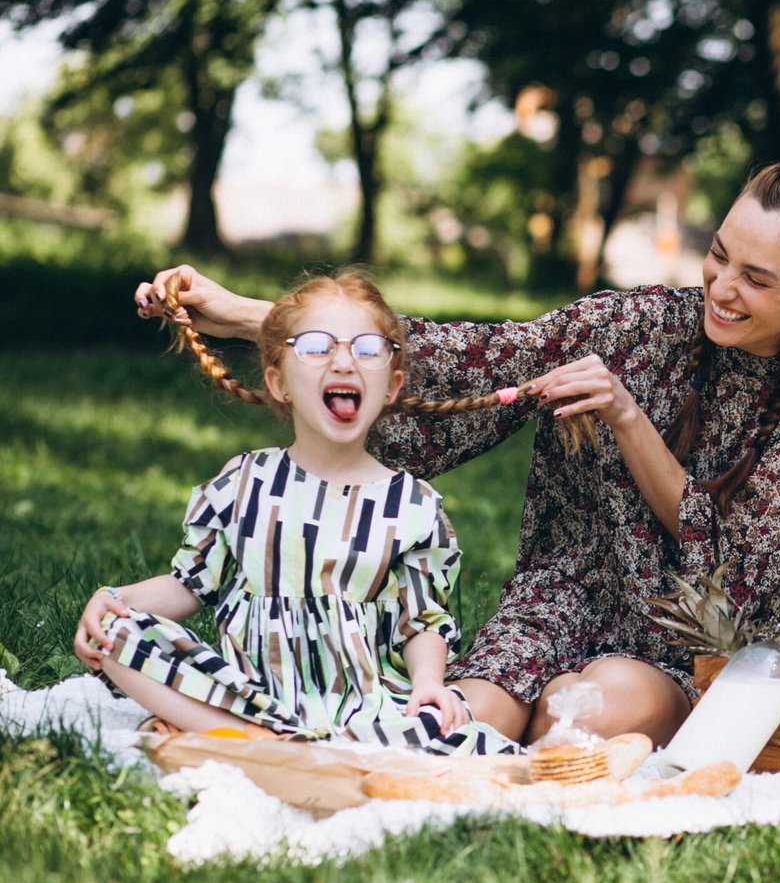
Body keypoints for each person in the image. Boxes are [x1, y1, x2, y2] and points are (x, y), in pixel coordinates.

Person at [134, 163, 780, 748]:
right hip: (566, 594)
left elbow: (741, 565)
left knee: (579, 718)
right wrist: (248, 318)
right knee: (456, 724)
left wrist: (629, 419)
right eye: (720, 256)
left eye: (756, 279)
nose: (722, 287)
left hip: (707, 638)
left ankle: (567, 720)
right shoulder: (640, 323)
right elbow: (480, 357)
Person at [76, 273, 522, 754]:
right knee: (117, 634)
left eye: (367, 348)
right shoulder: (246, 480)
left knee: (447, 729)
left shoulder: (412, 505)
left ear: (391, 386)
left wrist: (429, 683)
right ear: (279, 382)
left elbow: (421, 621)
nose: (344, 361)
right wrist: (114, 599)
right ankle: (258, 739)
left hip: (363, 710)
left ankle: (266, 745)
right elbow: (189, 585)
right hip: (251, 699)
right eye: (316, 347)